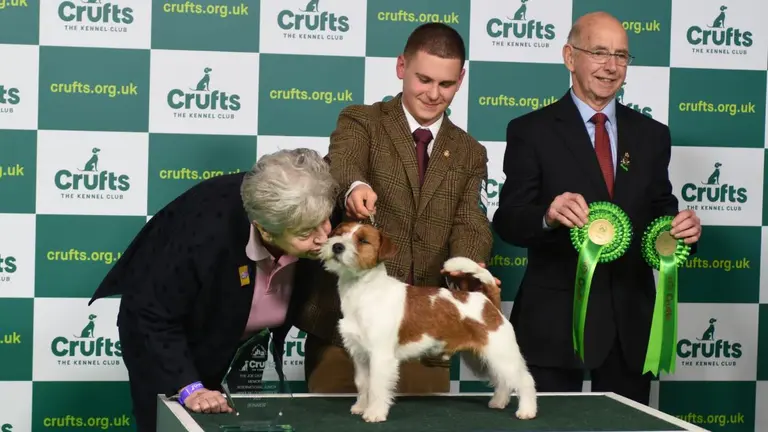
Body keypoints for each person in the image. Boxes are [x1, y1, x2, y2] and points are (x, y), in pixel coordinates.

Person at [491, 12, 702, 405]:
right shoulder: (530, 130)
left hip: (631, 325)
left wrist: (681, 230)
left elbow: (661, 212)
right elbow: (508, 220)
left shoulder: (652, 135)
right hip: (554, 324)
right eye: (599, 52)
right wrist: (547, 215)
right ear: (570, 57)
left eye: (621, 56)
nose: (611, 66)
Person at [295, 22, 493, 394]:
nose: (434, 94)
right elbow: (342, 161)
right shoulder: (361, 120)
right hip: (344, 334)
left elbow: (471, 221)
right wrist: (354, 187)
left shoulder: (470, 152)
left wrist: (465, 264)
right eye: (424, 79)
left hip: (421, 334)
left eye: (446, 84)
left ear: (461, 79)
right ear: (402, 67)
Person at [88, 148, 340, 432]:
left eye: (325, 221)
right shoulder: (203, 230)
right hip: (174, 342)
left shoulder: (310, 198)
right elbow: (149, 315)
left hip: (239, 351)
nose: (324, 239)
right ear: (265, 231)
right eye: (306, 234)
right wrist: (190, 387)